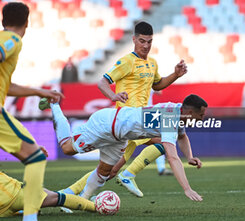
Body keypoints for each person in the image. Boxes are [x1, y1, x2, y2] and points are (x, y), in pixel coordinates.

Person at [60, 21, 187, 198]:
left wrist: (175, 75)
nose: (146, 45)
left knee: (112, 169)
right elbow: (102, 82)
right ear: (134, 39)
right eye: (142, 41)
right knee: (111, 169)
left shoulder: (152, 64)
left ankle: (75, 193)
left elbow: (157, 85)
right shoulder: (127, 61)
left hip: (141, 120)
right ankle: (77, 192)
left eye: (149, 41)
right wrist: (113, 96)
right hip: (125, 122)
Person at [39, 94, 207, 202]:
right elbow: (172, 157)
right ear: (190, 113)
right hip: (106, 125)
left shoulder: (178, 111)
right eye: (201, 115)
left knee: (105, 172)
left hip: (119, 137)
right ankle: (55, 104)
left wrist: (190, 157)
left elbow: (182, 136)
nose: (202, 118)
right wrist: (187, 188)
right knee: (68, 149)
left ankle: (82, 201)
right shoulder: (170, 117)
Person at [0, 3, 64, 221]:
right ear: (28, 22)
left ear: (2, 18)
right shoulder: (12, 39)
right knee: (36, 157)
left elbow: (7, 86)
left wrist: (39, 92)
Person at [0, 171, 95, 217]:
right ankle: (98, 207)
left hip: (2, 210)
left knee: (55, 197)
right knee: (57, 198)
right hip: (14, 193)